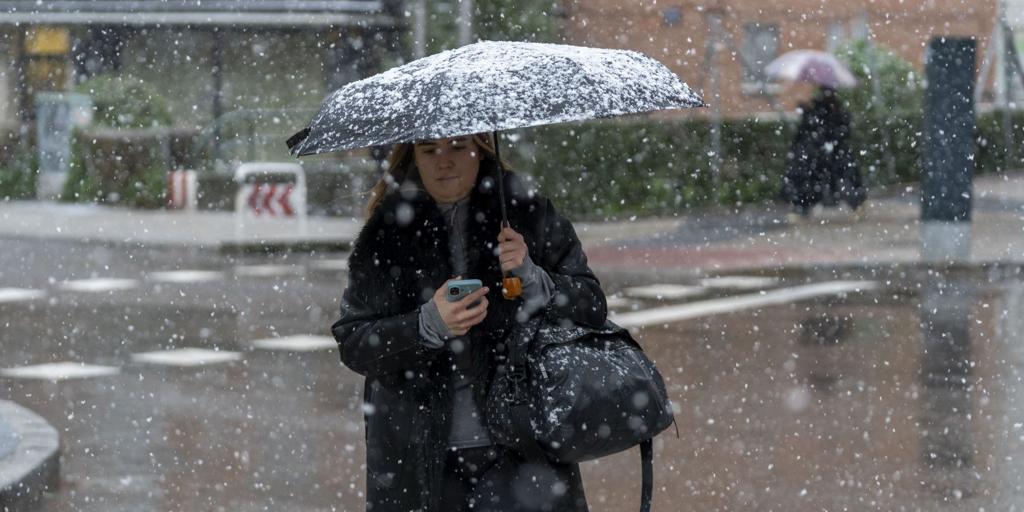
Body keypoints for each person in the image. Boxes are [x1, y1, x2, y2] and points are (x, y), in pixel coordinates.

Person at [332, 133, 606, 511]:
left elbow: (591, 305)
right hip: (419, 458)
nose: (444, 161)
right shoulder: (385, 235)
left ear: (480, 150)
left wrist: (534, 278)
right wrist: (427, 325)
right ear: (414, 158)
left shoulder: (528, 216)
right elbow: (355, 343)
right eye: (430, 151)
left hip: (523, 447)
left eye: (458, 147)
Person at [781, 85, 867, 220]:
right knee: (827, 180)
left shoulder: (830, 112)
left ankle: (802, 208)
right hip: (824, 155)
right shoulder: (821, 112)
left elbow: (839, 132)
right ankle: (802, 208)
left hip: (830, 155)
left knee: (840, 180)